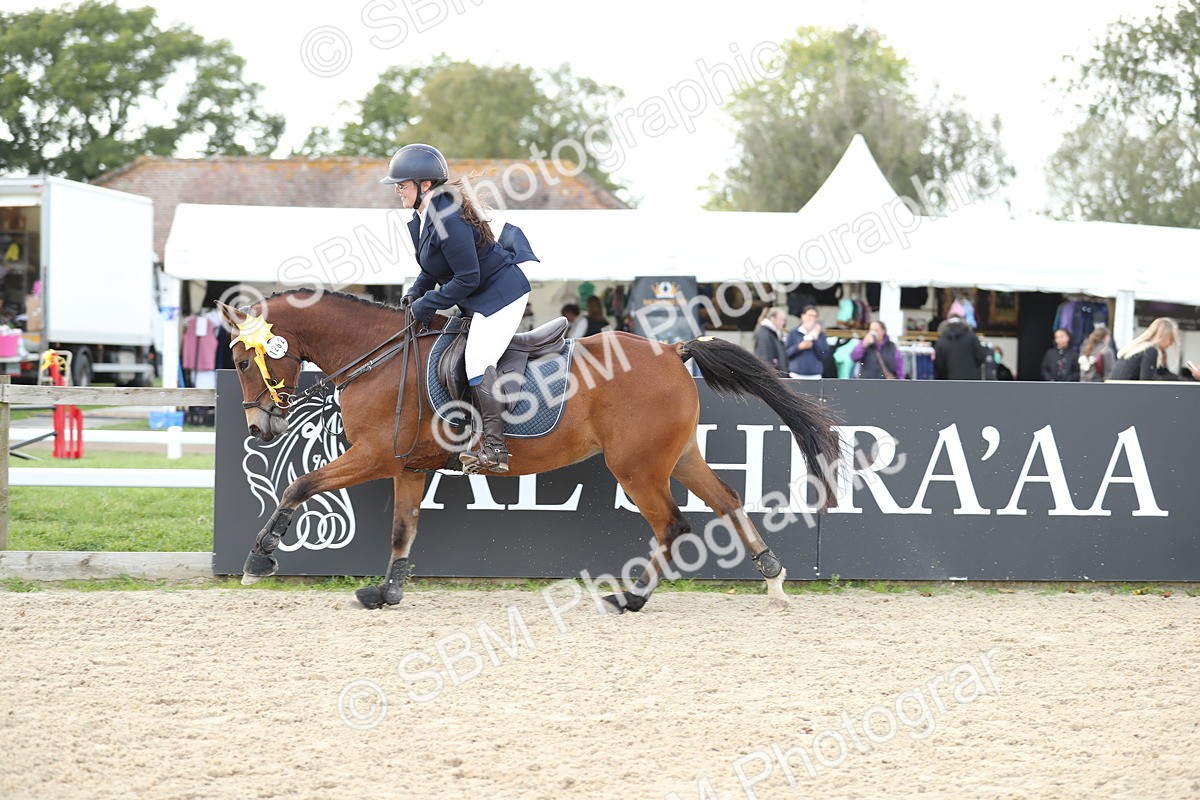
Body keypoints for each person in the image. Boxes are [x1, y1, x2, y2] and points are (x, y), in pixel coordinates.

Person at [383, 142, 537, 473]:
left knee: (477, 360)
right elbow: (433, 268)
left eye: (402, 184)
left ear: (425, 185)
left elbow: (468, 277)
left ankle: (495, 449)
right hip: (476, 295)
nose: (397, 190)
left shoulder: (447, 218)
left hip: (501, 295)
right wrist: (416, 292)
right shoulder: (423, 217)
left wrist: (429, 304)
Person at [1109, 317, 1180, 381]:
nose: (1170, 344)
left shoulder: (1137, 349)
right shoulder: (1151, 351)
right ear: (1162, 337)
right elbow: (1147, 383)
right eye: (1170, 339)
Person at [784, 305, 828, 379]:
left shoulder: (821, 334)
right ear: (802, 316)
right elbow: (786, 353)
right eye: (809, 315)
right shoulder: (793, 332)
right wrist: (799, 347)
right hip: (796, 374)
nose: (811, 318)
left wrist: (816, 339)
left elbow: (824, 354)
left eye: (814, 316)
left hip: (815, 375)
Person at [752, 306, 788, 376]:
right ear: (773, 318)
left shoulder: (774, 334)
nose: (783, 323)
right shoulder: (764, 334)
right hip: (774, 378)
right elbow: (764, 358)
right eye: (782, 320)